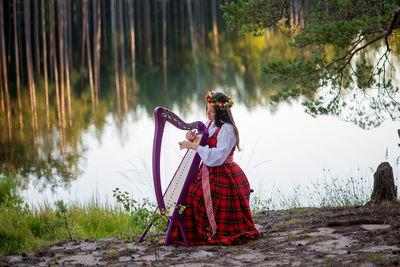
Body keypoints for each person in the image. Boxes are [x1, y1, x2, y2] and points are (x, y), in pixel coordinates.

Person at [170, 91, 260, 245]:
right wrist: (191, 137)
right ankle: (195, 232)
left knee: (195, 192)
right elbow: (202, 141)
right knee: (190, 190)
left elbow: (218, 156)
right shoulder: (209, 124)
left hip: (224, 173)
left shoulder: (227, 129)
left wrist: (194, 146)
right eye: (207, 110)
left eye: (212, 111)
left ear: (221, 112)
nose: (208, 113)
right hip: (209, 171)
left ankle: (209, 232)